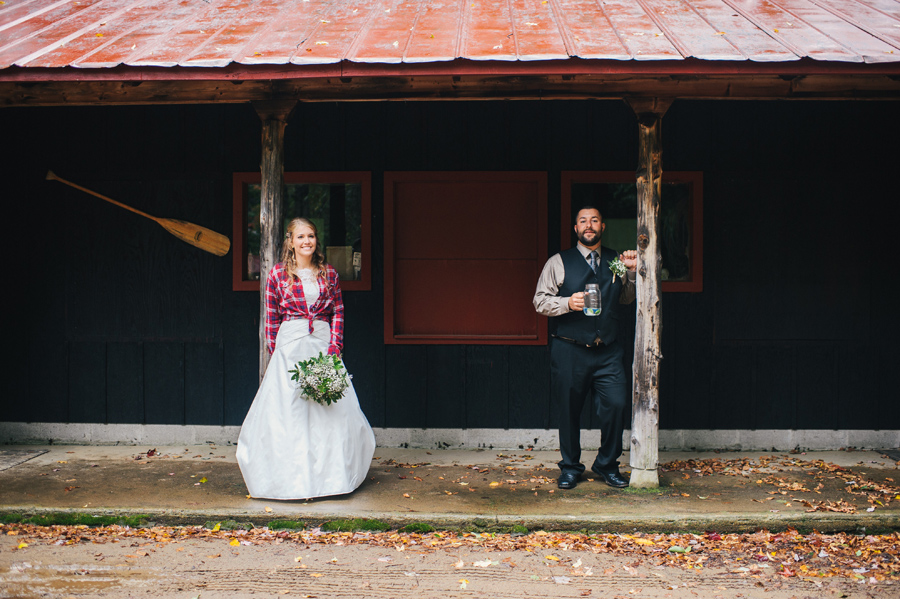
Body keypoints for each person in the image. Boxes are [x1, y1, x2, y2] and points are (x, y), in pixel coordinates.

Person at [236, 217, 376, 500]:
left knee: (331, 409)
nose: (307, 241)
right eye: (301, 237)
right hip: (291, 348)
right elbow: (272, 316)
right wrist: (277, 351)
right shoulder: (277, 274)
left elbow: (337, 310)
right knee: (290, 412)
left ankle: (332, 478)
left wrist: (334, 345)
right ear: (291, 241)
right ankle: (290, 481)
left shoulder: (329, 274)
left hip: (323, 345)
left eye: (311, 236)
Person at [533, 207, 637, 490]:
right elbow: (540, 301)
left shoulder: (616, 259)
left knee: (616, 405)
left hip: (608, 350)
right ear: (575, 228)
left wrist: (629, 273)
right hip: (570, 349)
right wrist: (567, 303)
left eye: (594, 220)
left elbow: (625, 299)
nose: (588, 225)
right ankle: (570, 468)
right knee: (568, 410)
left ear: (602, 226)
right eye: (582, 221)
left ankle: (607, 464)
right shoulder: (558, 262)